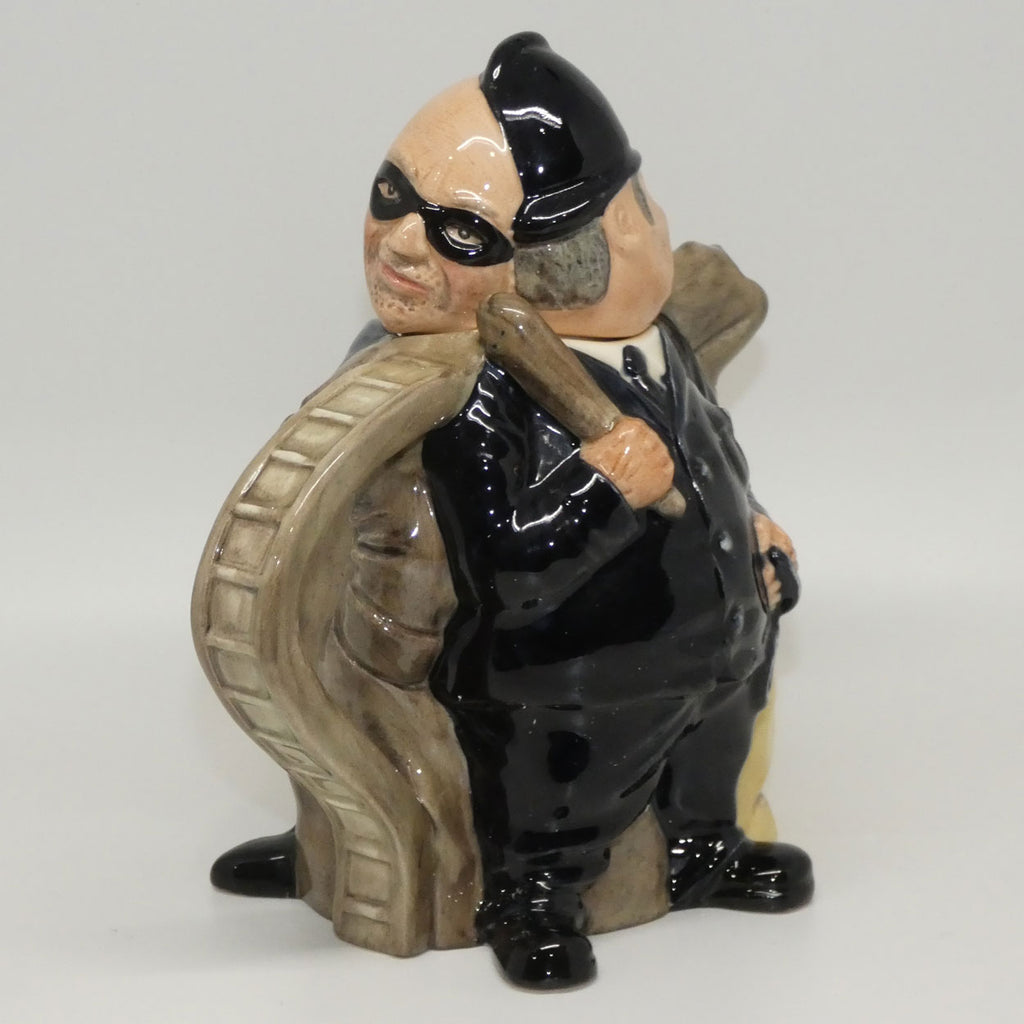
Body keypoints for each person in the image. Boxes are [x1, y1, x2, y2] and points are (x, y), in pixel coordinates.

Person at [212, 32, 812, 990]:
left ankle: (705, 850)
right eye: (391, 198)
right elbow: (509, 559)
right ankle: (529, 901)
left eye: (456, 231)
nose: (398, 242)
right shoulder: (479, 390)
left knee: (710, 757)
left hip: (714, 646)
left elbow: (715, 458)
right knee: (561, 803)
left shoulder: (659, 344)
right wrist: (604, 483)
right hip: (577, 677)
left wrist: (759, 530)